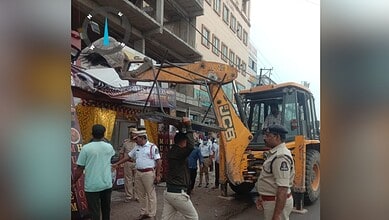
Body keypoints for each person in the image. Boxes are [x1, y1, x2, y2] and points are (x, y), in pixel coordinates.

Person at [113, 130, 162, 220]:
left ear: (143, 138)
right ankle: (144, 212)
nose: (135, 140)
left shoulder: (152, 147)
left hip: (148, 173)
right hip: (138, 172)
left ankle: (152, 214)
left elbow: (158, 161)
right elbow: (128, 157)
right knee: (141, 194)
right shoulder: (137, 147)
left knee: (150, 194)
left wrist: (158, 174)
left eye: (137, 138)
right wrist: (118, 163)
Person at [72, 124, 115, 220]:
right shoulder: (109, 147)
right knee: (106, 209)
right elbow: (111, 156)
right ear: (104, 134)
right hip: (107, 184)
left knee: (94, 211)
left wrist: (74, 181)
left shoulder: (86, 148)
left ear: (92, 134)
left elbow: (80, 168)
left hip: (92, 186)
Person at [162, 117, 199, 220]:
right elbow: (191, 147)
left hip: (169, 192)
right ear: (183, 142)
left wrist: (182, 128)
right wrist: (188, 126)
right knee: (193, 217)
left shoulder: (173, 151)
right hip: (178, 194)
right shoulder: (178, 153)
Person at [255, 124, 295, 220]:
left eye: (268, 135)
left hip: (275, 203)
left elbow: (282, 188)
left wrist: (277, 215)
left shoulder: (281, 157)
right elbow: (270, 180)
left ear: (277, 137)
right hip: (272, 201)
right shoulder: (275, 154)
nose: (264, 138)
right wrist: (262, 196)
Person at [119, 127, 138, 202]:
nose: (134, 134)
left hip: (137, 162)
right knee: (128, 180)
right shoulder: (126, 142)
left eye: (135, 133)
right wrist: (121, 162)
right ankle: (129, 196)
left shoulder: (139, 142)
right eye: (132, 133)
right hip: (128, 162)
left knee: (138, 180)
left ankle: (137, 196)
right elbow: (121, 153)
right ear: (130, 134)